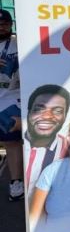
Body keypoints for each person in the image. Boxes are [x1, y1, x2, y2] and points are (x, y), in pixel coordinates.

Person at [24, 84, 70, 203]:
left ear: (65, 117)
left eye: (57, 111)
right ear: (29, 112)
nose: (47, 116)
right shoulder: (16, 147)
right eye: (39, 109)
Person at [0, 10, 22, 201]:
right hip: (1, 99)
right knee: (10, 141)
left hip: (16, 96)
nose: (2, 27)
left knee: (14, 140)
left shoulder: (19, 42)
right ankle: (15, 179)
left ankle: (17, 181)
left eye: (5, 23)